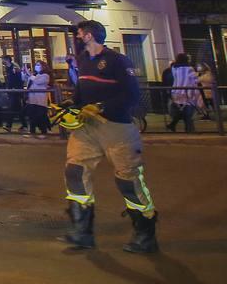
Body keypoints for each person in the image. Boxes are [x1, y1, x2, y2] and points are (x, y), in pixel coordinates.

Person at [59, 19, 159, 254]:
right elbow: (82, 91)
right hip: (87, 126)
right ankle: (81, 231)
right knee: (75, 171)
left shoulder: (117, 61)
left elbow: (132, 95)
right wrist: (71, 103)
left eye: (79, 33)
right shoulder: (83, 60)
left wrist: (101, 106)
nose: (76, 37)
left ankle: (145, 232)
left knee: (128, 180)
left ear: (89, 36)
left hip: (116, 127)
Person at [167, 54, 199, 133]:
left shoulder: (174, 68)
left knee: (181, 110)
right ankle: (189, 130)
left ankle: (173, 124)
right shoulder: (189, 68)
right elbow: (195, 79)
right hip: (187, 92)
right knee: (188, 112)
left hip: (176, 92)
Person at [26, 63, 52, 135]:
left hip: (40, 99)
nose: (37, 66)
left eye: (38, 65)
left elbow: (38, 81)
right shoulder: (35, 75)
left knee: (41, 116)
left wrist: (31, 75)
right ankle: (32, 131)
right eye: (36, 65)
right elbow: (28, 82)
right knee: (32, 116)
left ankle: (44, 132)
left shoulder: (45, 76)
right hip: (32, 99)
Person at [3, 61, 27, 133]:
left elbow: (17, 83)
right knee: (18, 110)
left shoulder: (16, 74)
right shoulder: (13, 74)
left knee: (11, 109)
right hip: (14, 93)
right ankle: (24, 125)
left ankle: (9, 125)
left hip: (15, 93)